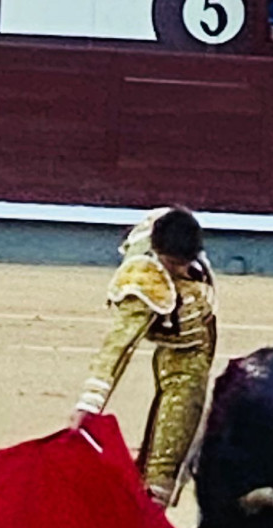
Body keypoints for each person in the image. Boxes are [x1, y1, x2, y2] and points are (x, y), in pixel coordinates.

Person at [71, 207, 217, 509]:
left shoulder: (179, 232)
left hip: (192, 351)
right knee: (166, 458)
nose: (182, 269)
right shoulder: (143, 281)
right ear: (159, 252)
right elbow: (118, 346)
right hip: (183, 356)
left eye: (187, 260)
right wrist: (89, 405)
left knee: (176, 435)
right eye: (174, 263)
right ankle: (150, 515)